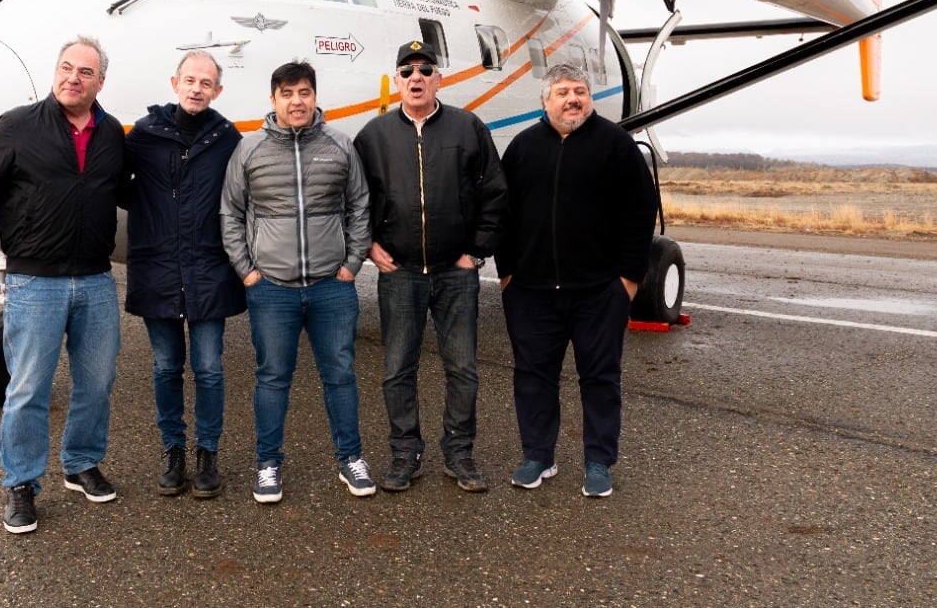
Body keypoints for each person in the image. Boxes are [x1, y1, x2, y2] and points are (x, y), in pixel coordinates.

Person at [0, 36, 126, 534]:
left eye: (85, 72)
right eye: (66, 68)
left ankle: (80, 463)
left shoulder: (112, 133)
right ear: (56, 72)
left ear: (100, 82)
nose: (73, 78)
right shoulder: (16, 126)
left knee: (96, 383)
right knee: (28, 387)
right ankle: (22, 483)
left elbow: (130, 192)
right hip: (35, 281)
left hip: (95, 279)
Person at [495, 62, 658, 498]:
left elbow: (641, 213)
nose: (573, 99)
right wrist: (507, 273)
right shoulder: (523, 148)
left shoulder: (616, 146)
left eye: (580, 91)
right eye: (564, 92)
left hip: (598, 292)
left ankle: (599, 462)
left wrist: (627, 280)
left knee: (600, 377)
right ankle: (538, 456)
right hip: (530, 292)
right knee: (533, 376)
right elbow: (502, 214)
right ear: (545, 101)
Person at [353, 40, 507, 493]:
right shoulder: (374, 136)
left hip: (455, 273)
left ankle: (459, 453)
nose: (416, 77)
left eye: (425, 69)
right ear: (396, 81)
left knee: (462, 368)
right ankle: (405, 453)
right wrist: (367, 246)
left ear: (439, 79)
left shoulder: (468, 128)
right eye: (407, 71)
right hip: (399, 273)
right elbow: (354, 199)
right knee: (398, 368)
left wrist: (476, 250)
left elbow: (494, 193)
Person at [220, 59, 374, 504]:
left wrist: (351, 264)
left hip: (331, 285)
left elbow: (360, 205)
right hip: (271, 288)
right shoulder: (249, 151)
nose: (296, 101)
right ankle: (267, 464)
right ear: (274, 100)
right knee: (272, 377)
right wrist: (247, 270)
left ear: (314, 97)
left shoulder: (340, 146)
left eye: (304, 92)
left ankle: (351, 458)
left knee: (341, 375)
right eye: (287, 94)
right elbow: (230, 212)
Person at [123, 50, 244, 498]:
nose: (197, 88)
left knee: (210, 368)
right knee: (166, 366)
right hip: (157, 269)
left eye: (205, 82)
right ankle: (173, 449)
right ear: (175, 83)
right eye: (189, 80)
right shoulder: (144, 136)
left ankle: (207, 452)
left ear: (217, 91)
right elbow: (111, 181)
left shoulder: (227, 139)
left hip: (210, 270)